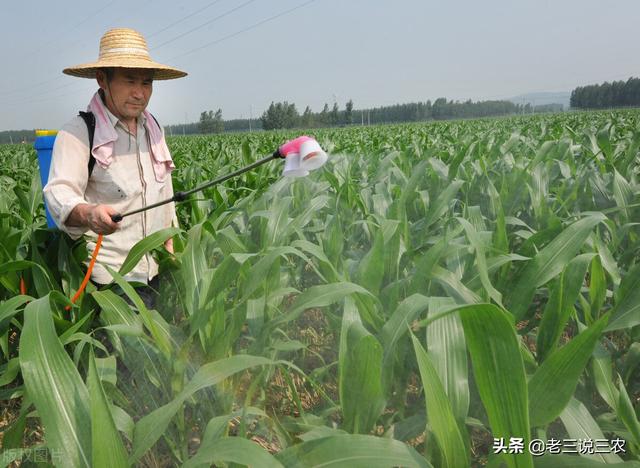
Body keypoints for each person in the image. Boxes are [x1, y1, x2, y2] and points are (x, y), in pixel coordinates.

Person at [43, 28, 187, 304]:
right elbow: (59, 193)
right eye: (130, 81)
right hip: (112, 283)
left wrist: (171, 236)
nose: (139, 93)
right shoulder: (79, 133)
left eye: (146, 83)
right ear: (102, 79)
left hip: (159, 269)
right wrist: (90, 213)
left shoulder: (153, 128)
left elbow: (164, 190)